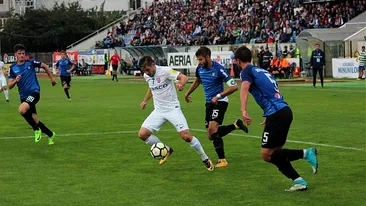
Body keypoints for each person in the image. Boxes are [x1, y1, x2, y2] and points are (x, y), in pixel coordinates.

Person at [234, 45, 318, 192]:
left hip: (277, 114)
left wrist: (243, 110)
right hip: (283, 111)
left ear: (238, 61)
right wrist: (268, 115)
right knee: (275, 153)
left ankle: (306, 153)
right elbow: (273, 92)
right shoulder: (262, 71)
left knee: (267, 154)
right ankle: (299, 181)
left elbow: (244, 88)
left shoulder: (246, 71)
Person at [138, 56, 214, 171]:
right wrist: (145, 100)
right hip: (158, 111)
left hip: (173, 109)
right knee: (142, 134)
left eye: (148, 69)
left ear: (153, 64)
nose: (147, 73)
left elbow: (183, 77)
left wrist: (181, 84)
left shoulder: (165, 71)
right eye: (144, 71)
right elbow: (151, 87)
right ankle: (166, 150)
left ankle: (205, 158)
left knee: (186, 137)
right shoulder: (146, 76)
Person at [185, 46, 248, 168]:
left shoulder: (219, 69)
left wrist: (218, 96)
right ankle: (235, 125)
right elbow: (198, 81)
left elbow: (234, 86)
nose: (199, 62)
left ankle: (222, 160)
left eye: (201, 59)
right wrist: (187, 94)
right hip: (209, 103)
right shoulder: (200, 68)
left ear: (208, 57)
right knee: (210, 135)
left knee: (213, 128)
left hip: (220, 102)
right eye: (198, 60)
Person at [8, 44, 57, 144]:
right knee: (35, 120)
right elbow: (9, 85)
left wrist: (52, 79)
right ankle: (50, 134)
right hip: (23, 96)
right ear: (15, 54)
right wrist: (15, 81)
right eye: (19, 53)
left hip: (34, 92)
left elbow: (45, 66)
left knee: (21, 110)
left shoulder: (30, 63)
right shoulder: (12, 68)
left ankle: (36, 130)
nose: (22, 55)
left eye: (23, 53)